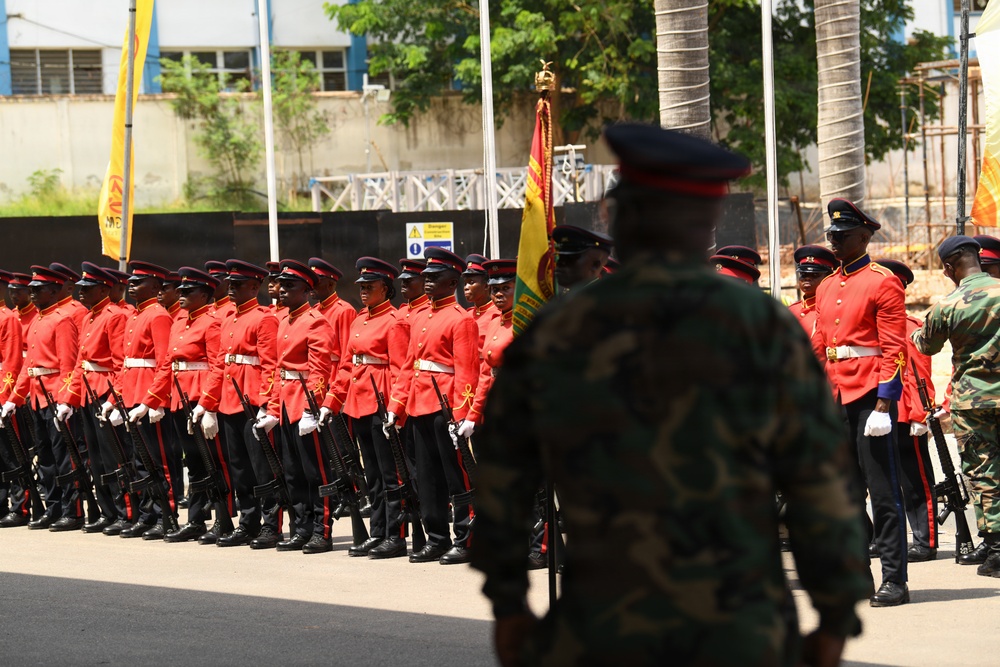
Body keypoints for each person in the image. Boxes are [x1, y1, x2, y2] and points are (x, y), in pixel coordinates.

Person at [472, 123, 870, 666]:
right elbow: (820, 480)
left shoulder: (560, 330)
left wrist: (509, 604)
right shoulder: (763, 327)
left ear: (620, 218)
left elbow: (502, 475)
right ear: (704, 225)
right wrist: (834, 613)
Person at [813, 198, 909, 607]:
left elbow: (894, 348)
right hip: (834, 398)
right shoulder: (826, 284)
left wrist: (885, 404)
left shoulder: (882, 281)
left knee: (883, 494)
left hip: (869, 396)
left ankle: (895, 579)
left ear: (865, 237)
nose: (834, 241)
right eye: (832, 234)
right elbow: (820, 347)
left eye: (843, 235)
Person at [911, 236, 1000, 576]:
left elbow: (926, 345)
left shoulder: (948, 304)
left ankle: (997, 549)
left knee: (984, 472)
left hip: (974, 402)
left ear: (948, 268)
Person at [386, 248, 479, 565]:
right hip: (418, 404)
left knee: (456, 477)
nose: (426, 281)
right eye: (425, 276)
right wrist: (395, 407)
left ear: (452, 281)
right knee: (426, 478)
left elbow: (467, 370)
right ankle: (437, 538)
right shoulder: (421, 317)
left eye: (434, 277)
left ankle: (466, 539)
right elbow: (408, 366)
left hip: (445, 406)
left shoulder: (461, 319)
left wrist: (462, 416)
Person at [321, 257, 408, 558]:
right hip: (357, 403)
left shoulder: (394, 321)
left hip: (380, 401)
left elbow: (399, 369)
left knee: (389, 473)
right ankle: (377, 531)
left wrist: (396, 408)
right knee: (370, 472)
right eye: (361, 286)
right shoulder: (359, 320)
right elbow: (346, 366)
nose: (363, 290)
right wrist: (332, 402)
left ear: (385, 288)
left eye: (369, 286)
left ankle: (394, 535)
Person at [145, 267, 233, 544]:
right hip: (180, 395)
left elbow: (217, 365)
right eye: (180, 291)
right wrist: (154, 399)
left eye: (188, 292)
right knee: (192, 462)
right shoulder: (180, 321)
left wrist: (208, 405)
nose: (180, 295)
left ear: (205, 294)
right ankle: (195, 519)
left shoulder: (212, 321)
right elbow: (168, 364)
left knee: (214, 462)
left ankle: (224, 518)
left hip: (200, 394)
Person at [258, 260, 335, 554]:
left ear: (306, 290)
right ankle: (301, 528)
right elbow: (280, 370)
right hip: (287, 401)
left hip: (304, 404)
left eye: (289, 286)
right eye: (281, 285)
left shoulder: (315, 321)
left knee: (316, 472)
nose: (282, 290)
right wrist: (273, 409)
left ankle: (321, 531)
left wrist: (310, 408)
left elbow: (319, 371)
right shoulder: (286, 320)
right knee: (292, 472)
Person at [104, 261, 180, 538]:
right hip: (133, 391)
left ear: (156, 287)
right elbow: (124, 363)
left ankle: (165, 514)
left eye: (139, 282)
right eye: (132, 282)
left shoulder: (158, 315)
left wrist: (154, 400)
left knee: (156, 459)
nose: (131, 286)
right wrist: (116, 399)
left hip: (149, 393)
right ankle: (147, 513)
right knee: (138, 460)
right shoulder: (135, 315)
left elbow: (165, 361)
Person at [3, 266, 81, 531]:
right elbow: (29, 367)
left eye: (39, 289)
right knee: (46, 460)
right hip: (36, 396)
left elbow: (69, 364)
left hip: (55, 395)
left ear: (55, 291)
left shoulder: (62, 319)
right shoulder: (37, 319)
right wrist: (15, 397)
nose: (33, 293)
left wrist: (66, 400)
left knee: (63, 458)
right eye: (32, 289)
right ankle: (54, 507)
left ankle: (72, 511)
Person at [213, 260, 282, 549]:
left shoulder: (264, 318)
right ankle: (248, 521)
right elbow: (220, 363)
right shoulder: (229, 318)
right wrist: (208, 402)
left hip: (252, 399)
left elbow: (270, 364)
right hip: (230, 399)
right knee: (239, 467)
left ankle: (271, 524)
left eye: (237, 284)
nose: (231, 288)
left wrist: (268, 403)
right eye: (230, 284)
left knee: (262, 467)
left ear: (254, 287)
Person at [56, 262, 129, 534]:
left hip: (105, 391)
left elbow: (121, 363)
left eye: (88, 288)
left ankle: (125, 513)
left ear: (104, 289)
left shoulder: (114, 316)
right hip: (88, 391)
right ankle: (107, 513)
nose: (81, 292)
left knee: (114, 458)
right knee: (96, 460)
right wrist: (68, 399)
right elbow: (80, 362)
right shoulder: (88, 317)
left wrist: (115, 399)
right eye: (81, 287)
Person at [876, 258, 938, 563]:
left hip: (904, 413)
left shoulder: (910, 326)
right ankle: (888, 538)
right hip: (876, 410)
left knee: (915, 480)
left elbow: (918, 373)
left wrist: (918, 415)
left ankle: (925, 541)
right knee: (884, 480)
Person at [0, 270, 25, 527]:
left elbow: (12, 362)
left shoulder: (8, 318)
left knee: (10, 453)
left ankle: (19, 507)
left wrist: (6, 398)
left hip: (0, 390)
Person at [788, 245, 836, 341]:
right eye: (803, 274)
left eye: (815, 274)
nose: (807, 279)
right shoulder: (791, 311)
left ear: (828, 277)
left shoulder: (832, 308)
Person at [551, 225, 613, 290]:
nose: (560, 263)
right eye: (561, 257)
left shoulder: (608, 298)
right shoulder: (573, 295)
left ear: (595, 265)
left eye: (570, 258)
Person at [463, 253, 499, 347]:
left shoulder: (497, 315)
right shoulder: (467, 314)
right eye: (465, 283)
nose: (466, 287)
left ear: (486, 285)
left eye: (471, 282)